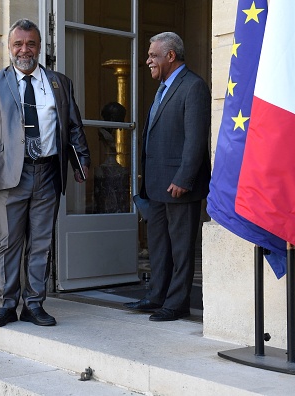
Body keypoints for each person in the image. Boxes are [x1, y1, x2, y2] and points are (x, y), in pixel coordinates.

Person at [0, 19, 90, 327]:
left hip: (48, 172)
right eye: (18, 44)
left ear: (39, 47)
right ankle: (6, 304)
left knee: (41, 241)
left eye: (30, 44)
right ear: (10, 48)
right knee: (8, 242)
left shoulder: (60, 83)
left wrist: (81, 160)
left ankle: (34, 303)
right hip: (10, 175)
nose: (24, 50)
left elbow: (72, 126)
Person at [123, 32, 210, 321]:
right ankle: (156, 295)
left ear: (170, 56)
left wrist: (184, 178)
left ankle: (176, 303)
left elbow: (195, 140)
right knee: (159, 246)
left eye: (153, 55)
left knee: (181, 248)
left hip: (180, 186)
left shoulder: (193, 87)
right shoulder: (162, 89)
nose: (147, 60)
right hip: (156, 185)